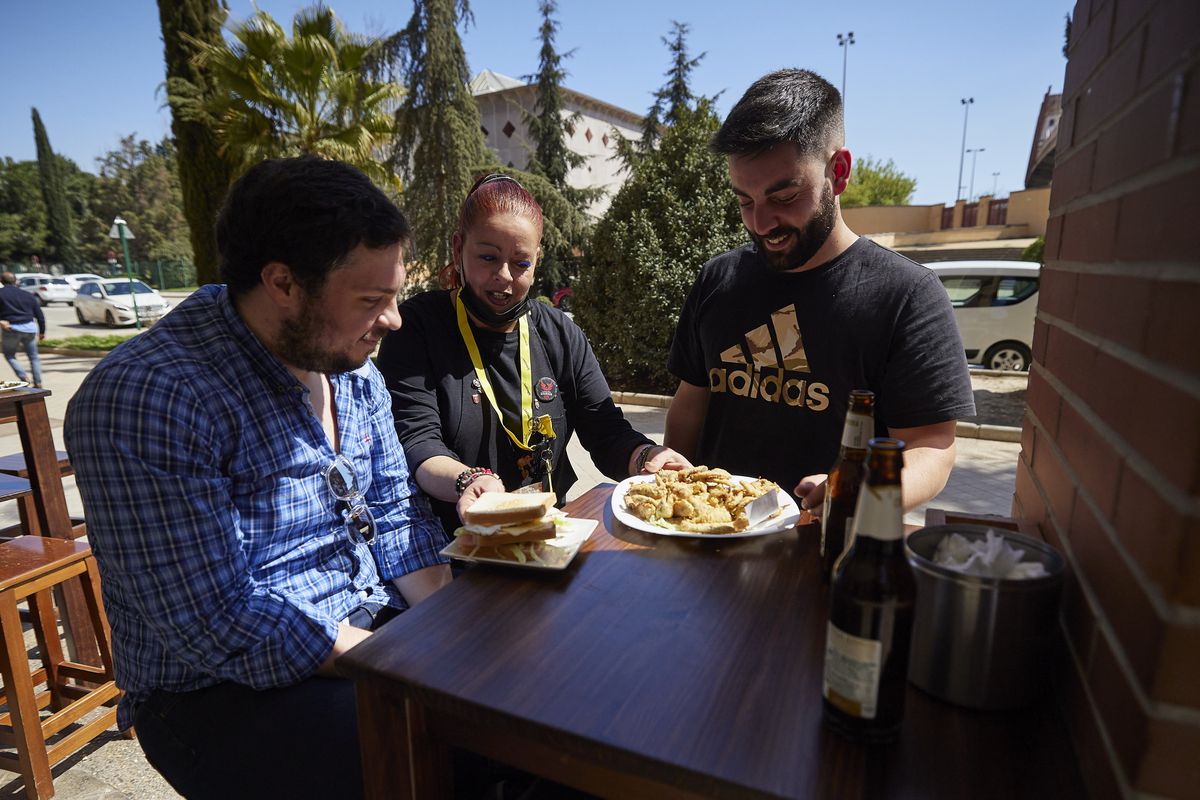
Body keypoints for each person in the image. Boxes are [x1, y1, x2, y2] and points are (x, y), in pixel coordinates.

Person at [64, 156, 452, 800]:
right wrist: (411, 665)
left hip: (366, 625)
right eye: (372, 300)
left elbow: (392, 510)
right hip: (215, 691)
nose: (394, 320)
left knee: (531, 692)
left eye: (396, 295)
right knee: (442, 758)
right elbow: (218, 622)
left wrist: (450, 632)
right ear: (283, 284)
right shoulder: (149, 397)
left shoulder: (350, 363)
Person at [664, 69, 975, 513]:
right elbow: (689, 406)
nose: (761, 223)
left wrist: (860, 492)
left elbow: (933, 446)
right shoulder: (718, 279)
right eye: (744, 202)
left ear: (839, 172)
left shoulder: (908, 295)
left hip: (831, 551)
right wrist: (672, 503)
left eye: (785, 196)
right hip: (712, 544)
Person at [377, 173, 690, 537]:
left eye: (521, 263)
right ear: (458, 247)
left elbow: (604, 431)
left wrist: (646, 457)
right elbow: (417, 441)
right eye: (488, 257)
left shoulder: (560, 333)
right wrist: (467, 481)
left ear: (537, 259)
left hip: (547, 539)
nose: (504, 277)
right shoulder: (418, 327)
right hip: (452, 546)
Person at [0, 271, 46, 388]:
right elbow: (40, 315)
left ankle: (23, 377)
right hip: (29, 329)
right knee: (34, 357)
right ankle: (38, 382)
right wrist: (42, 332)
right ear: (16, 281)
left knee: (10, 355)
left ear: (1, 281)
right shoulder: (28, 295)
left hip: (11, 329)